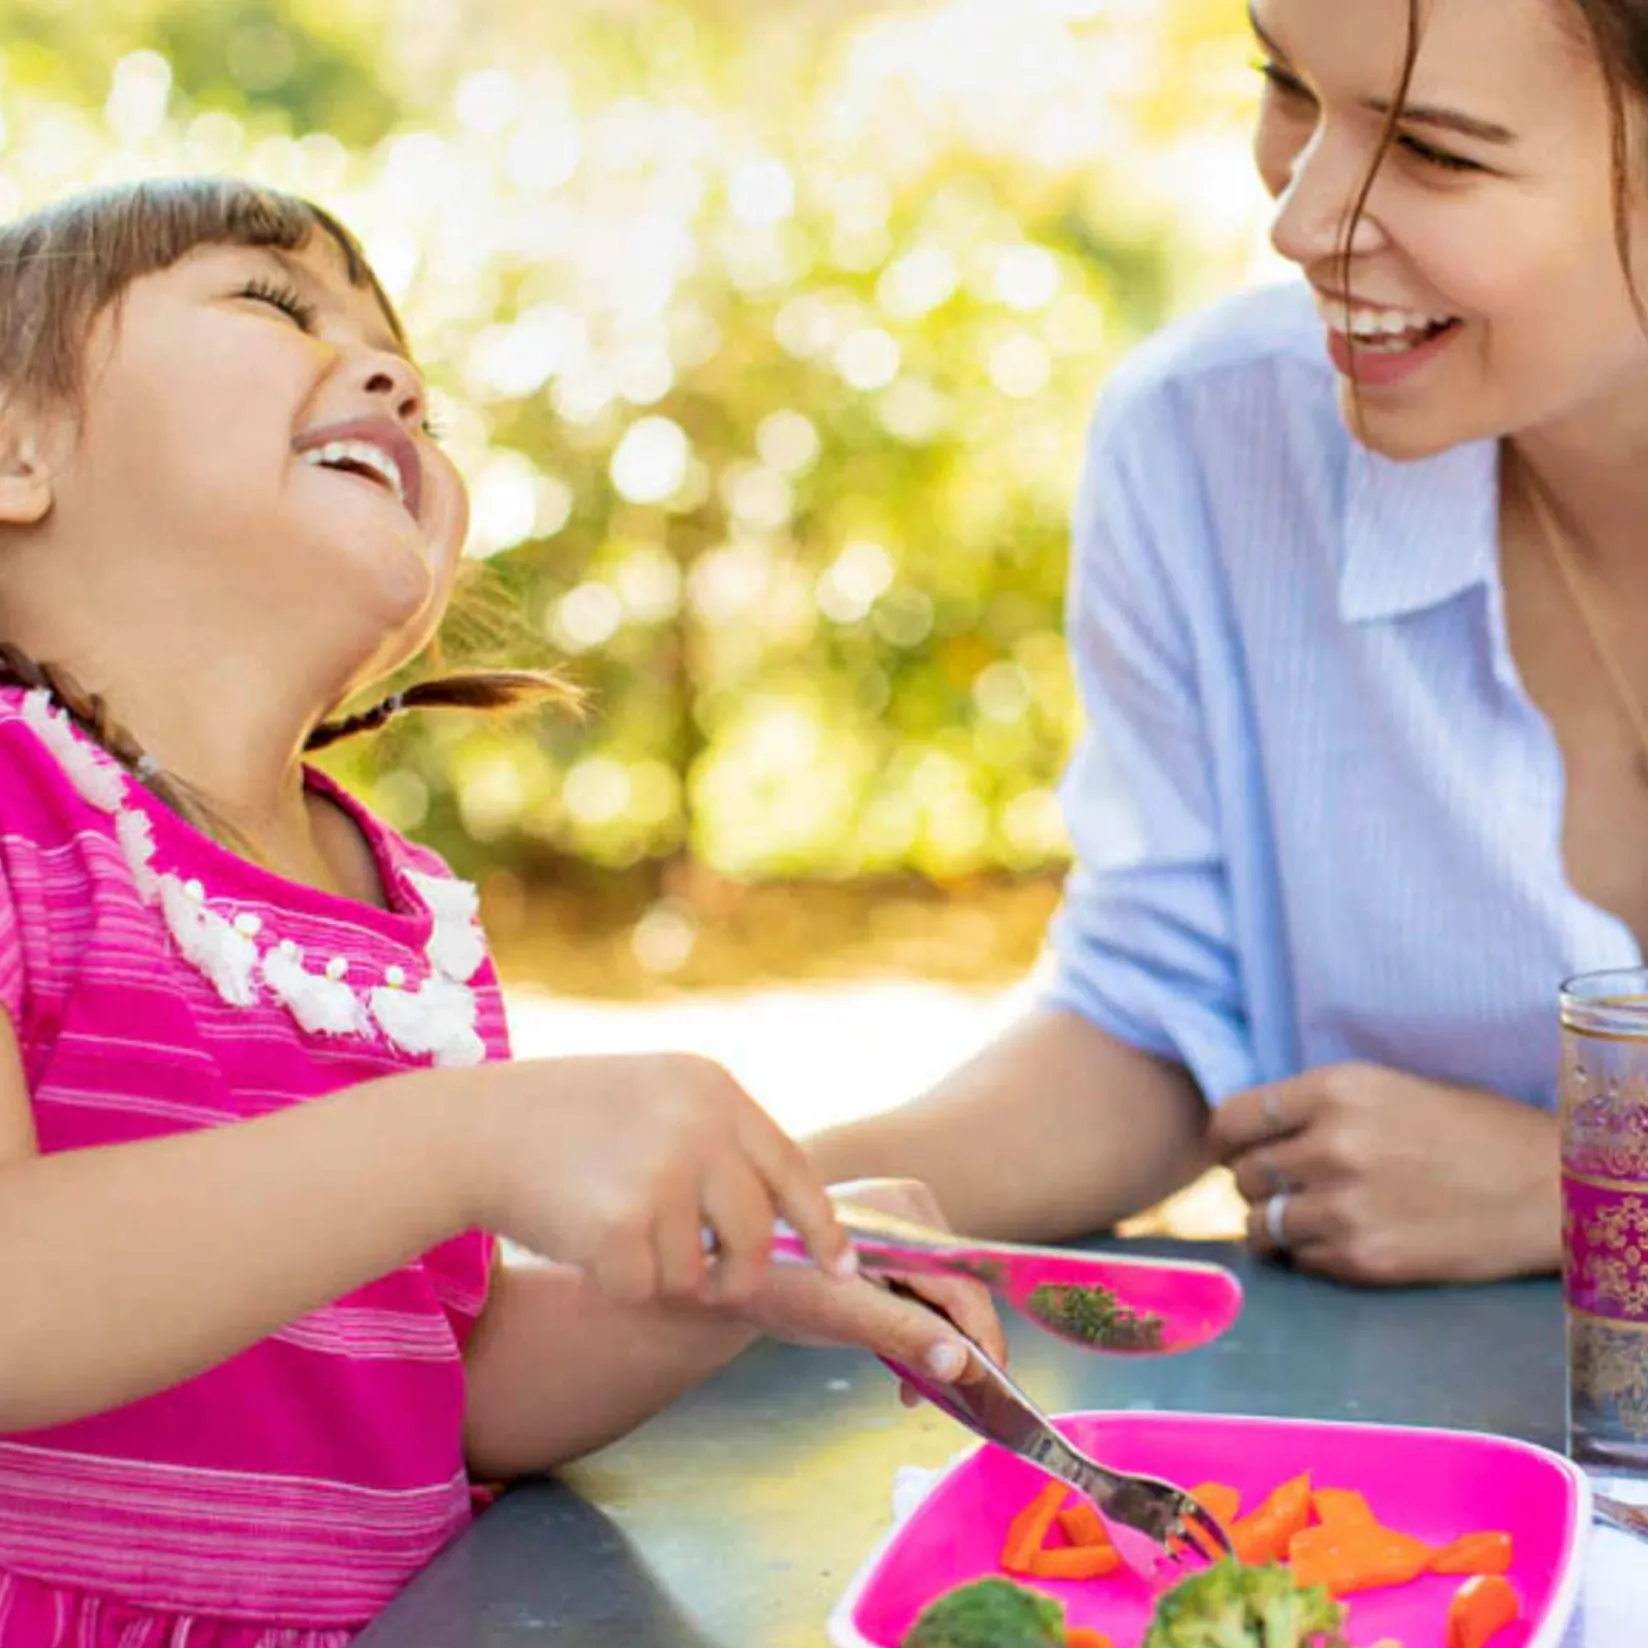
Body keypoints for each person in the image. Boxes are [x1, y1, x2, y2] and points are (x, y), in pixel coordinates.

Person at [0, 176, 1001, 1647]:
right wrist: (469, 1141)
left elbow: (439, 1385)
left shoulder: (400, 922)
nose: (396, 377)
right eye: (276, 305)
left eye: (412, 376)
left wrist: (739, 1286)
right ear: (15, 448)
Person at [810, 0, 1648, 1290]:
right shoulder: (1212, 441)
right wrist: (750, 1203)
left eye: (1436, 151)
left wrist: (1585, 1192)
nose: (1300, 221)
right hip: (1431, 1461)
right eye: (1290, 84)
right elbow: (1159, 1026)